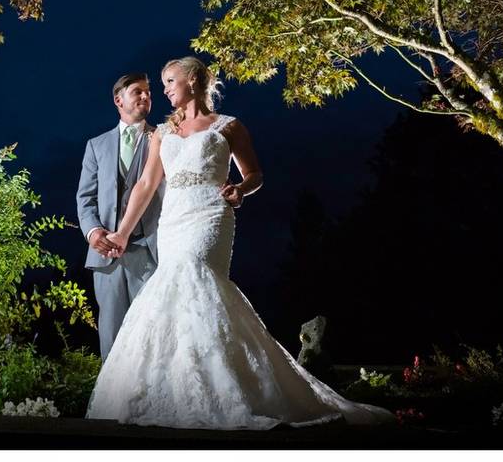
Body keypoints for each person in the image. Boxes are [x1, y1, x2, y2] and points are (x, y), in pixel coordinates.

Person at [85, 56, 394, 429]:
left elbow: (255, 174)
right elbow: (145, 186)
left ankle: (224, 389)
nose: (164, 90)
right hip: (174, 223)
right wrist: (120, 232)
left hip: (210, 216)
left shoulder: (228, 127)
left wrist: (240, 190)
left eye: (170, 81)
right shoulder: (163, 134)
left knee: (196, 280)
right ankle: (182, 390)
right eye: (162, 84)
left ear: (194, 81)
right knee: (173, 292)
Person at [76, 73, 164, 360]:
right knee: (111, 336)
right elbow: (85, 198)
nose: (145, 97)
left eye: (148, 93)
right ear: (118, 99)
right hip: (105, 255)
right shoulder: (96, 145)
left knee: (151, 333)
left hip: (149, 250)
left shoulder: (163, 138)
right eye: (137, 92)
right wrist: (94, 233)